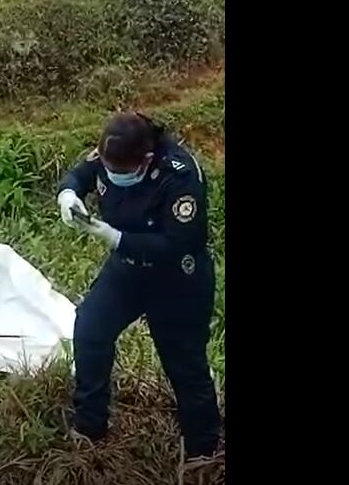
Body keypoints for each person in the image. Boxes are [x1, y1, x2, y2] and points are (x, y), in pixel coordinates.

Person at [56, 111, 221, 464]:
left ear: (145, 160)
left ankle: (203, 450)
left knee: (184, 364)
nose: (112, 177)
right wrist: (68, 193)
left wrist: (115, 237)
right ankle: (90, 424)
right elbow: (82, 172)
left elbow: (181, 242)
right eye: (108, 167)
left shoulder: (181, 174)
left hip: (177, 279)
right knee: (90, 330)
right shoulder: (111, 152)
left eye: (121, 172)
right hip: (128, 271)